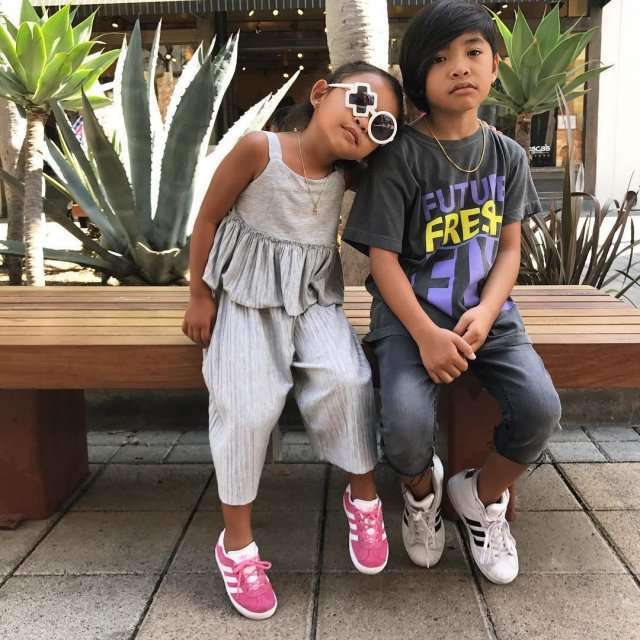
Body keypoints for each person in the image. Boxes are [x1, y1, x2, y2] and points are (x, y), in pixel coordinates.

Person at [342, 1, 561, 585]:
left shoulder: (508, 156)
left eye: (473, 52)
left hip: (488, 318)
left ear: (495, 65)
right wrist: (425, 334)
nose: (459, 67)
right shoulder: (399, 157)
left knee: (541, 409)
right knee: (405, 426)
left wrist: (487, 311)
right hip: (409, 319)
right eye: (440, 59)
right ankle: (421, 493)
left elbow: (509, 250)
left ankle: (480, 497)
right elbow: (382, 260)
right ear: (419, 77)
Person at [183, 61, 403, 620]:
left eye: (380, 124)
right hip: (246, 296)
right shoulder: (260, 149)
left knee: (348, 378)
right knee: (246, 405)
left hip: (312, 300)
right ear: (321, 92)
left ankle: (363, 496)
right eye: (359, 101)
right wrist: (200, 295)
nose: (363, 121)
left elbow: (411, 161)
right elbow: (207, 219)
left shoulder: (348, 175)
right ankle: (236, 545)